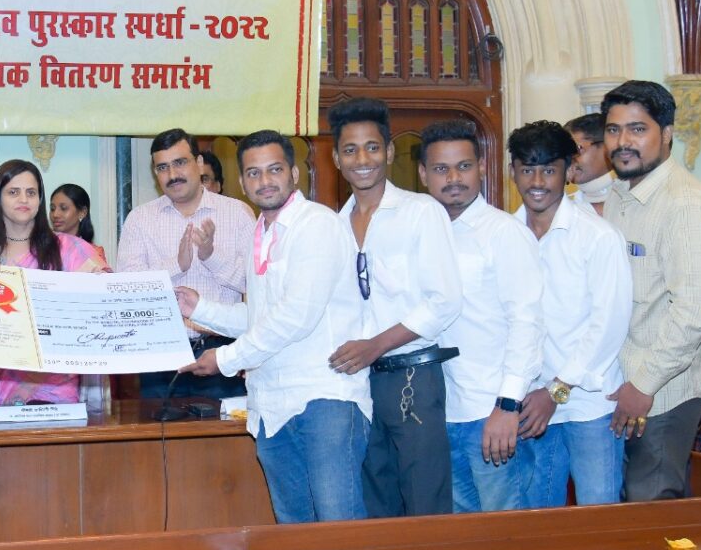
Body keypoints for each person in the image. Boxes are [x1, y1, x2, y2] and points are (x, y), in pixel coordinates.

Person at [177, 131, 370, 523]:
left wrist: (225, 359)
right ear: (243, 182)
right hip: (271, 405)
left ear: (294, 174)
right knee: (293, 531)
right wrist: (200, 308)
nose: (264, 181)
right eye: (254, 173)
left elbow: (296, 316)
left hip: (324, 399)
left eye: (274, 170)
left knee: (339, 530)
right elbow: (260, 318)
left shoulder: (316, 225)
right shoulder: (260, 233)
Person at [326, 98, 462, 518]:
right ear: (336, 159)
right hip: (356, 383)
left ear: (388, 151)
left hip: (412, 378)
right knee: (375, 504)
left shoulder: (421, 212)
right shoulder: (333, 225)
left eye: (372, 147)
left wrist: (376, 345)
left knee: (425, 504)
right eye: (350, 150)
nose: (362, 159)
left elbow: (444, 301)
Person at [601, 80, 701, 501]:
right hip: (628, 383)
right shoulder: (621, 193)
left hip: (664, 391)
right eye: (614, 129)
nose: (623, 141)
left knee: (650, 506)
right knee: (631, 507)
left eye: (637, 129)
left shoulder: (686, 203)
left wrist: (644, 386)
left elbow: (696, 311)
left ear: (667, 133)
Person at [418, 119, 543, 513]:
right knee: (464, 535)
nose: (454, 178)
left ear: (483, 168)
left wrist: (508, 406)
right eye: (441, 169)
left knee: (508, 534)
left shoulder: (504, 233)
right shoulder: (421, 235)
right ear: (423, 175)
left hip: (492, 414)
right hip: (442, 413)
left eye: (464, 166)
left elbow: (527, 323)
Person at [509, 120, 631, 507]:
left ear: (569, 171)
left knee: (598, 521)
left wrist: (556, 390)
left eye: (549, 170)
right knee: (538, 522)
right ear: (512, 172)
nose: (537, 182)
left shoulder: (598, 237)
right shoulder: (505, 236)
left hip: (588, 405)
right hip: (529, 404)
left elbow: (608, 326)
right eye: (528, 170)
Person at [117, 129, 254, 399]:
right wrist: (176, 265)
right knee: (153, 427)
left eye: (180, 163)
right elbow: (126, 291)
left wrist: (211, 257)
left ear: (199, 163)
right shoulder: (140, 220)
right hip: (160, 354)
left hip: (222, 352)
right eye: (162, 167)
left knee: (224, 428)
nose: (172, 174)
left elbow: (256, 285)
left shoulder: (237, 213)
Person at [0, 160, 107, 408]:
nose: (24, 199)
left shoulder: (67, 247)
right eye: (13, 192)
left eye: (31, 192)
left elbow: (105, 295)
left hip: (56, 386)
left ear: (40, 199)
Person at [563, 113, 614, 216]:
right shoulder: (565, 204)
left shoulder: (632, 200)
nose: (569, 159)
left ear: (607, 148)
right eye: (564, 152)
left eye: (576, 149)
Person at [50, 183, 106, 263]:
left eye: (63, 208)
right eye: (52, 209)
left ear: (82, 212)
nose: (55, 214)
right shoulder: (41, 248)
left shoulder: (94, 253)